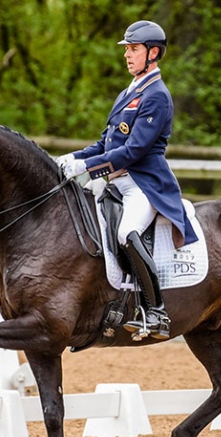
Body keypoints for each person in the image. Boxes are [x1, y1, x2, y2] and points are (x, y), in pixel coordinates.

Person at [58, 20, 198, 340]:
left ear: (153, 53)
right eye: (127, 50)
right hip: (115, 183)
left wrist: (88, 169)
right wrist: (73, 158)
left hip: (143, 184)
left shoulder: (157, 96)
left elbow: (133, 151)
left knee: (126, 232)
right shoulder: (128, 92)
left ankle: (156, 312)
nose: (128, 55)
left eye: (134, 49)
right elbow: (105, 145)